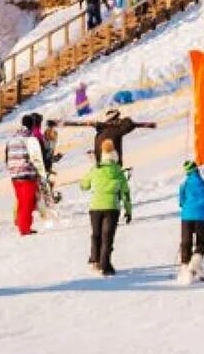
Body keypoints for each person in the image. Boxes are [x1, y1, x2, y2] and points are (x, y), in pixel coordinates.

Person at [80, 145, 131, 276]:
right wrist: (128, 211)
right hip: (112, 208)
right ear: (115, 157)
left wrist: (92, 175)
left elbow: (84, 185)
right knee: (107, 236)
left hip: (95, 207)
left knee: (96, 234)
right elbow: (125, 193)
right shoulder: (119, 172)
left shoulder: (95, 169)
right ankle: (105, 265)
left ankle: (95, 260)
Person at [67, 109, 158, 166]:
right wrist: (126, 120)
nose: (120, 120)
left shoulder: (100, 133)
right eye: (118, 118)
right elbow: (128, 125)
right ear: (114, 119)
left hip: (100, 165)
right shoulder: (114, 130)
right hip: (113, 166)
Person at [6, 115, 49, 236]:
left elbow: (7, 156)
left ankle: (22, 225)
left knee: (21, 201)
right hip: (26, 175)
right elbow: (36, 158)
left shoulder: (12, 138)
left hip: (14, 176)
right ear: (32, 125)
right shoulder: (30, 139)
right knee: (27, 203)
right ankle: (24, 229)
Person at [176, 161, 204, 284]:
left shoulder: (184, 185)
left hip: (186, 217)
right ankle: (195, 264)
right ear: (197, 170)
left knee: (186, 243)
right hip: (201, 217)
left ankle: (185, 269)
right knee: (201, 243)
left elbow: (181, 202)